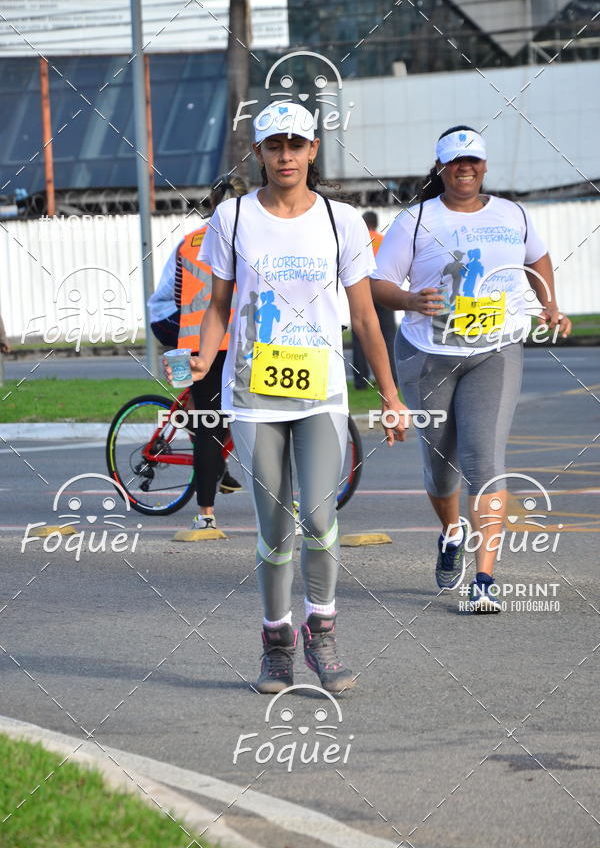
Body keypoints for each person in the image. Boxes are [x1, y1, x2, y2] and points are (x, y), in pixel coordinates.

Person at [183, 101, 407, 693]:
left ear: (313, 150)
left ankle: (323, 631)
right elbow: (219, 305)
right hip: (255, 392)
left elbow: (364, 316)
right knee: (274, 525)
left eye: (296, 144)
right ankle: (276, 640)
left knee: (318, 514)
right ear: (259, 153)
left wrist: (390, 394)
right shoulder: (232, 219)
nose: (286, 155)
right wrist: (205, 354)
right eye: (274, 145)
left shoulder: (342, 220)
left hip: (322, 392)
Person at [371, 125, 571, 612]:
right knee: (442, 469)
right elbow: (377, 285)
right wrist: (411, 298)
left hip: (495, 350)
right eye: (455, 162)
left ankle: (484, 581)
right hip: (426, 354)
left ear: (484, 166)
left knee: (485, 462)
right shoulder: (415, 221)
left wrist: (549, 304)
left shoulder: (513, 214)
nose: (465, 169)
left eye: (473, 161)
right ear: (440, 169)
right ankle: (451, 530)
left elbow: (538, 256)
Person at [149, 176, 247, 531]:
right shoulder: (244, 238)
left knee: (210, 422)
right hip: (225, 341)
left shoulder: (188, 242)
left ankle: (207, 508)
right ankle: (206, 508)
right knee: (213, 427)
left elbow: (176, 294)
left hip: (191, 337)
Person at [351, 211, 397, 389]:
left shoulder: (359, 243)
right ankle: (392, 379)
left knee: (360, 337)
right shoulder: (384, 241)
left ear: (364, 224)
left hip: (362, 291)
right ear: (376, 223)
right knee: (388, 337)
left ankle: (360, 382)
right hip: (383, 290)